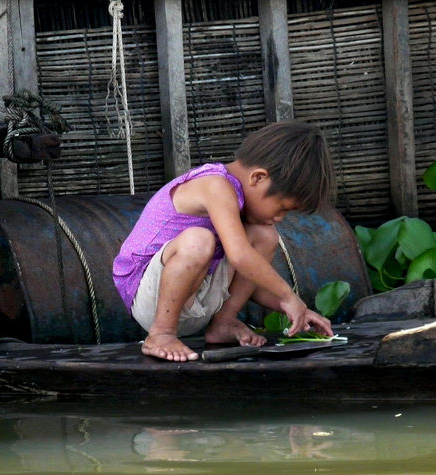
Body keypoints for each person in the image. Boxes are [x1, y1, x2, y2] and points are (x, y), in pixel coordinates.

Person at [112, 120, 336, 362]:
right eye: (282, 208)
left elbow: (249, 277)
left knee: (264, 236)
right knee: (199, 240)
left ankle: (223, 323)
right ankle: (161, 334)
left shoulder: (239, 202)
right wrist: (287, 296)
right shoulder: (215, 185)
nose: (278, 218)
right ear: (258, 178)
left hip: (196, 297)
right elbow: (240, 257)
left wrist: (295, 309)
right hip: (148, 295)